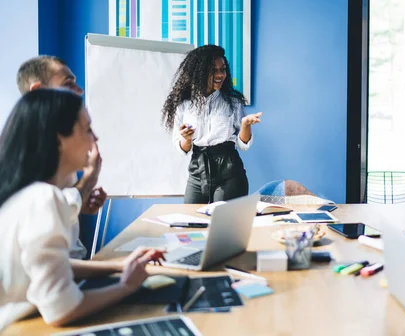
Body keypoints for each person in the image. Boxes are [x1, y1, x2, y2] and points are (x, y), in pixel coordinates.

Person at [0, 89, 164, 330]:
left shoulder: (24, 197)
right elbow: (61, 308)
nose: (95, 138)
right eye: (87, 129)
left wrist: (119, 265)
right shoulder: (44, 199)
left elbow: (52, 266)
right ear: (58, 138)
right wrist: (126, 286)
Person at [17, 55, 107, 259]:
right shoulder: (23, 153)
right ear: (39, 91)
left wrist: (82, 202)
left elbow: (61, 207)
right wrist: (88, 180)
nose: (79, 91)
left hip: (73, 265)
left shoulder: (64, 141)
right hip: (60, 274)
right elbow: (48, 213)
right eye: (69, 84)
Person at [162, 45, 262, 204]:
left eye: (223, 69)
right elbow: (181, 148)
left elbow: (243, 145)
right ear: (199, 71)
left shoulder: (233, 103)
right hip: (197, 171)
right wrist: (187, 139)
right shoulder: (184, 105)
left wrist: (245, 126)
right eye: (214, 70)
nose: (220, 74)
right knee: (191, 220)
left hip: (229, 172)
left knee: (223, 224)